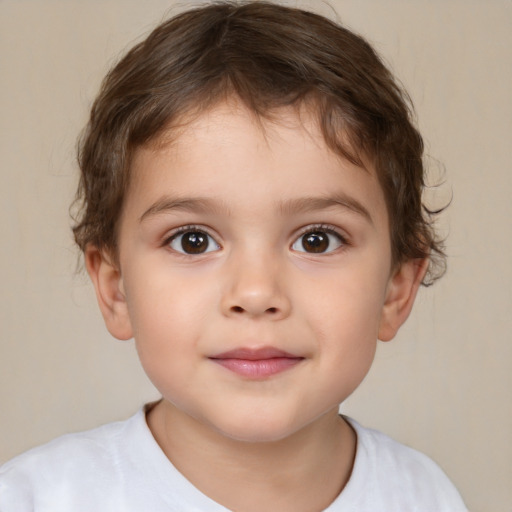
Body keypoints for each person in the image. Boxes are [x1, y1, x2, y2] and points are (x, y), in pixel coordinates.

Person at [0, 1, 467, 510]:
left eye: (317, 239)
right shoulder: (35, 499)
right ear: (115, 288)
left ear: (396, 288)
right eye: (193, 240)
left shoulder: (426, 495)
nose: (255, 293)